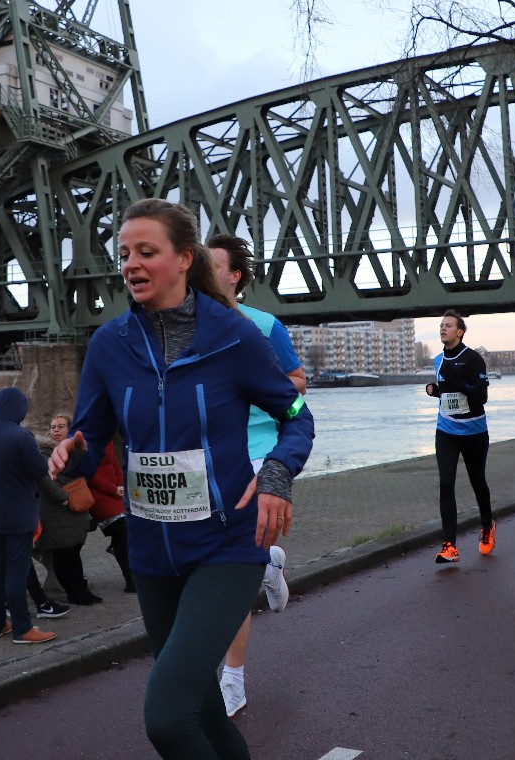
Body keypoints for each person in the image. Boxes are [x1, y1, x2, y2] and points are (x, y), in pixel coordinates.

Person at [49, 198, 314, 760]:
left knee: (168, 717)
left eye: (146, 252)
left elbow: (296, 415)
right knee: (204, 712)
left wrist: (276, 473)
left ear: (184, 259)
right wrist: (72, 453)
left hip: (226, 545)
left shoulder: (235, 337)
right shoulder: (109, 344)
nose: (131, 264)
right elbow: (91, 437)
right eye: (125, 254)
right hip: (151, 552)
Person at [206, 233, 306, 719]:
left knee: (230, 572)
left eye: (211, 266)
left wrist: (250, 387)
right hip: (206, 459)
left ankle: (233, 680)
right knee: (219, 561)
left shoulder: (264, 325)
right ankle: (269, 563)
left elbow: (298, 383)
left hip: (256, 457)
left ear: (234, 276)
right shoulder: (188, 325)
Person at [0, 386, 58, 644]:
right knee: (17, 572)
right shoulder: (20, 435)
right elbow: (39, 470)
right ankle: (23, 629)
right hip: (18, 514)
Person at [424, 309, 494, 564]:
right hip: (446, 431)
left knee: (477, 480)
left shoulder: (473, 358)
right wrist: (437, 391)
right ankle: (449, 545)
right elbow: (448, 393)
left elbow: (481, 397)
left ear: (460, 332)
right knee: (446, 482)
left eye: (448, 325)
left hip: (474, 431)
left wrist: (458, 382)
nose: (443, 329)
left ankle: (487, 526)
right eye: (441, 325)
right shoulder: (438, 360)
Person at [37, 414, 103, 605]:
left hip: (75, 510)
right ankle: (75, 594)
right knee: (63, 553)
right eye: (53, 427)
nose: (56, 430)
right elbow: (44, 481)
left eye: (61, 426)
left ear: (70, 430)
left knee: (73, 552)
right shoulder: (43, 453)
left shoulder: (75, 452)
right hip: (57, 511)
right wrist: (63, 498)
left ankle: (81, 590)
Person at [89, 439, 133, 593]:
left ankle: (130, 577)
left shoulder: (106, 440)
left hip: (116, 493)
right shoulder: (85, 442)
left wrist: (120, 484)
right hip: (99, 495)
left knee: (124, 534)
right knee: (122, 529)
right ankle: (130, 579)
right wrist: (113, 489)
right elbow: (90, 475)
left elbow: (115, 464)